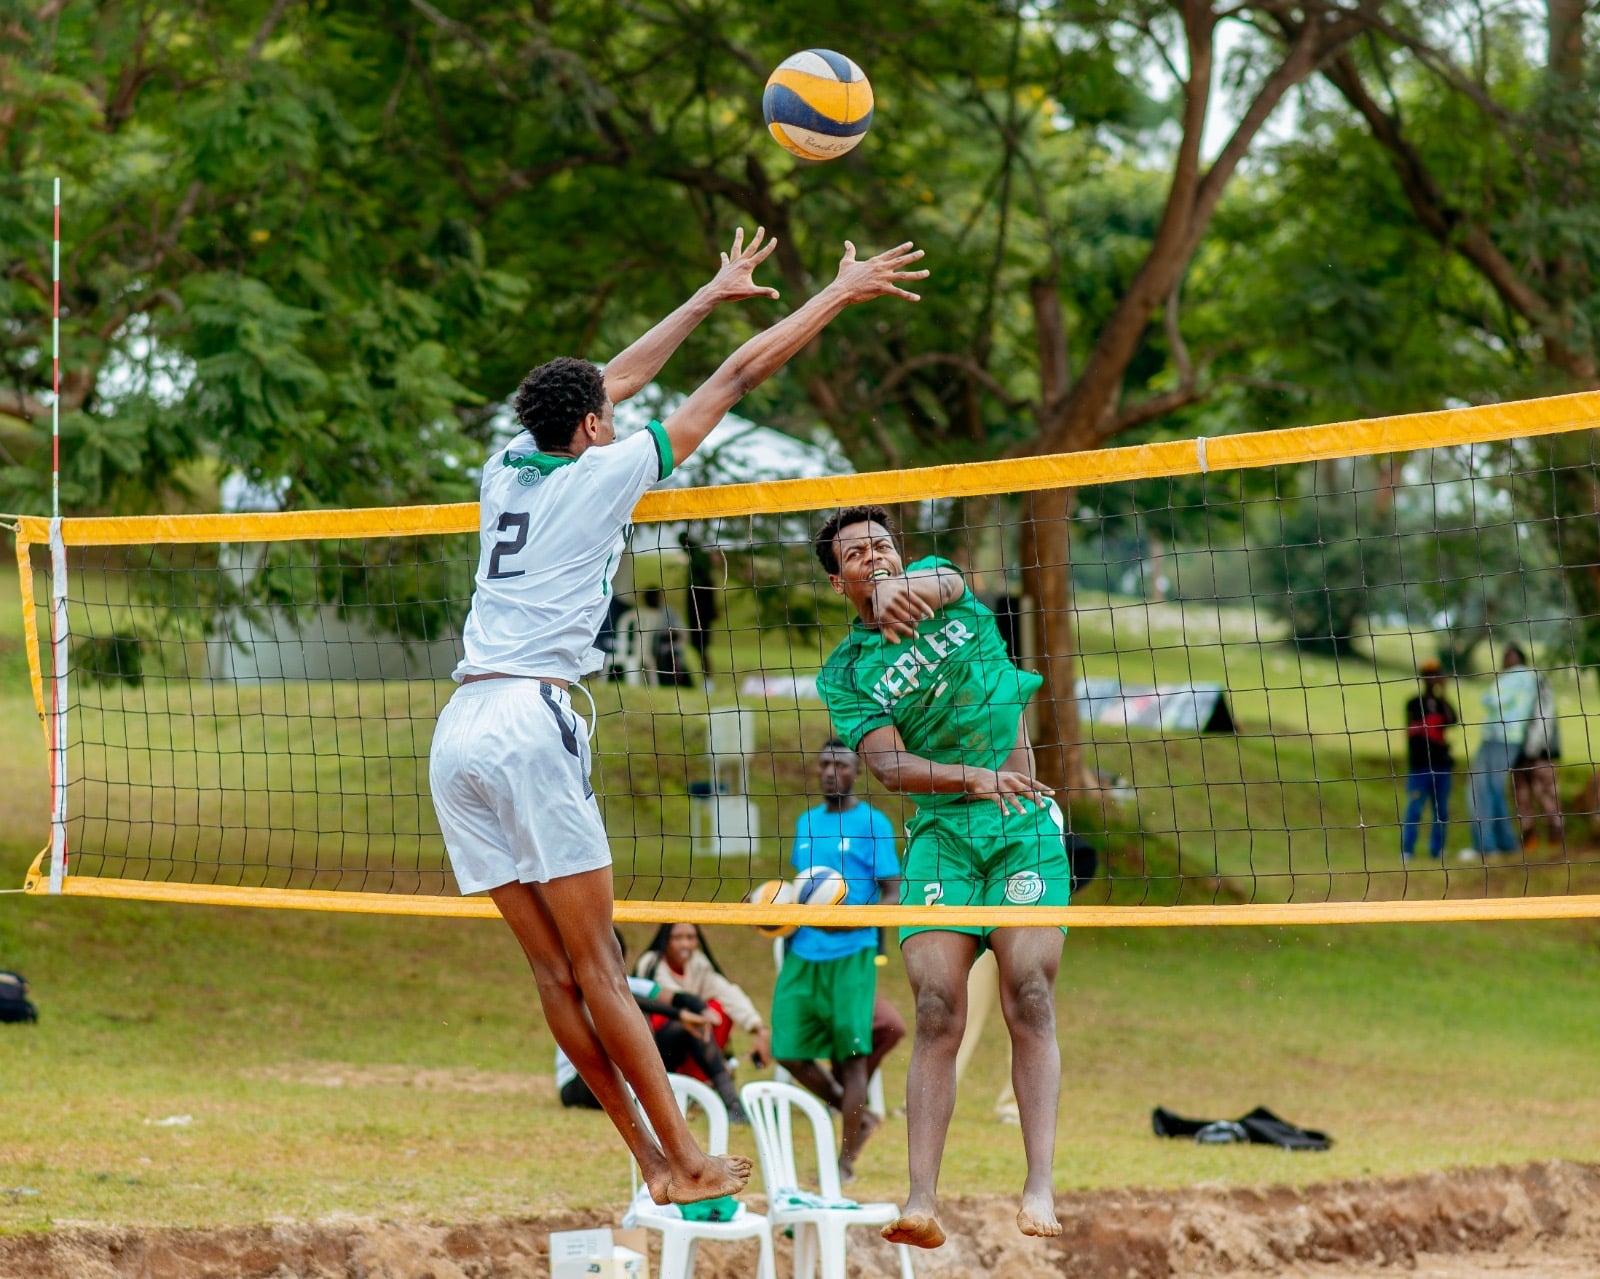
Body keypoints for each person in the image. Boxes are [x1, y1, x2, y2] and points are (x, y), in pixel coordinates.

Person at [427, 229, 928, 1206]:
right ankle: (683, 1158)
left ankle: (660, 1163)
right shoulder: (606, 471)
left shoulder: (506, 465)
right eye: (604, 415)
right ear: (591, 431)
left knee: (553, 975)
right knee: (601, 966)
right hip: (533, 719)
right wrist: (835, 293)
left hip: (458, 730)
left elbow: (605, 380)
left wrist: (706, 292)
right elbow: (734, 378)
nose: (613, 415)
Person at [813, 504, 1071, 1247]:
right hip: (942, 835)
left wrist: (901, 581)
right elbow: (889, 766)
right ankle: (922, 1197)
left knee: (1030, 990)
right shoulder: (848, 671)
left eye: (883, 543)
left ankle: (1039, 1186)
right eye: (857, 552)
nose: (875, 555)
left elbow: (948, 577)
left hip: (1023, 828)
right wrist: (975, 777)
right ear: (838, 580)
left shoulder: (939, 582)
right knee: (934, 1008)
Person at [772, 738, 903, 1182]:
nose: (831, 772)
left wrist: (855, 923)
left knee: (851, 1057)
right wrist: (771, 910)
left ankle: (844, 1161)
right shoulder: (807, 822)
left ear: (856, 771)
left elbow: (894, 892)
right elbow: (802, 890)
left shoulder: (874, 823)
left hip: (853, 952)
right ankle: (853, 1113)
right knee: (787, 1049)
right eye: (824, 764)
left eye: (840, 765)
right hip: (804, 950)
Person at [558, 931, 722, 1110]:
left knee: (684, 1029)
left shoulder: (629, 983)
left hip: (627, 1077)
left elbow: (680, 998)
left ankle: (730, 1100)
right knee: (625, 1013)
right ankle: (658, 1100)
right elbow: (619, 1000)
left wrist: (702, 1009)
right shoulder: (579, 987)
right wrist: (679, 1014)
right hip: (580, 1083)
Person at [637, 923, 773, 1120]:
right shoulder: (650, 964)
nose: (685, 944)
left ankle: (713, 1089)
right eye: (678, 937)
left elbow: (727, 992)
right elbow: (672, 1001)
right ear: (665, 939)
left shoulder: (699, 964)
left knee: (718, 1009)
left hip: (695, 1034)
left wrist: (758, 1028)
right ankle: (726, 1098)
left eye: (690, 937)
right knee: (691, 1021)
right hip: (657, 1046)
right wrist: (698, 1010)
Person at [1462, 643, 1538, 861]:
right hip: (1513, 739)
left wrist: (1496, 685)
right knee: (1494, 789)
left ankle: (1485, 846)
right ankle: (1504, 844)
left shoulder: (1515, 676)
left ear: (1517, 658)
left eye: (1508, 655)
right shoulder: (1531, 679)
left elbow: (1491, 698)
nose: (1504, 659)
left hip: (1497, 737)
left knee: (1479, 790)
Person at [1400, 659, 1457, 861]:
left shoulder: (1443, 704)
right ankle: (1407, 850)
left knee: (1441, 810)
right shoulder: (1414, 703)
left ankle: (1437, 849)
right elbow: (1411, 731)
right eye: (1429, 675)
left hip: (1441, 764)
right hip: (1420, 765)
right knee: (1414, 809)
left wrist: (1444, 693)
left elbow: (1452, 719)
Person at [1511, 652, 1564, 851]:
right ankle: (1529, 838)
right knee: (1521, 796)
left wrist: (1532, 748)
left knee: (1547, 794)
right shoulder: (1511, 686)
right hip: (1519, 753)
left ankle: (1556, 838)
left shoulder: (1537, 682)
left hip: (1541, 752)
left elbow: (1545, 716)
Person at [679, 531, 724, 688]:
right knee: (699, 647)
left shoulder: (699, 559)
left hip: (700, 610)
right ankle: (707, 680)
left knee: (701, 647)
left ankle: (708, 681)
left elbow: (707, 586)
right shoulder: (698, 558)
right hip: (699, 609)